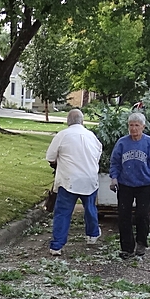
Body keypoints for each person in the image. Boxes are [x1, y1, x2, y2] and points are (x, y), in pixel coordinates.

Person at [108, 111, 150, 259]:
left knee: (142, 215)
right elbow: (114, 162)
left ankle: (141, 243)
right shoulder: (122, 142)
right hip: (125, 184)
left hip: (144, 184)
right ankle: (127, 248)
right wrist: (114, 178)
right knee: (124, 216)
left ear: (143, 127)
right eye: (131, 125)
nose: (133, 128)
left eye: (136, 125)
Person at [45, 108, 103, 255]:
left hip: (69, 179)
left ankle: (57, 245)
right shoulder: (91, 136)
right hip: (89, 178)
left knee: (63, 212)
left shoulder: (62, 135)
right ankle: (92, 235)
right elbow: (98, 153)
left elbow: (50, 157)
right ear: (82, 121)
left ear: (67, 121)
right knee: (90, 208)